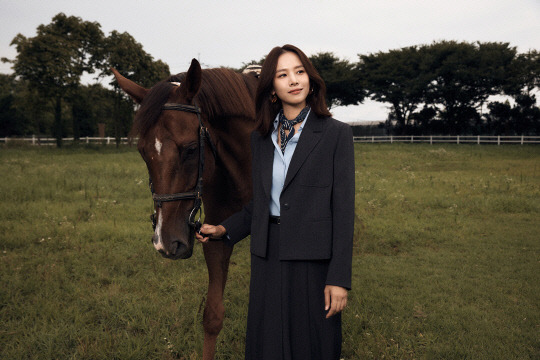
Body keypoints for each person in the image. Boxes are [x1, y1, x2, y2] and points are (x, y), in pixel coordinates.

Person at [196, 44, 354, 360]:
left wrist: (338, 279)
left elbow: (343, 210)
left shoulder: (336, 133)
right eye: (283, 75)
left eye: (300, 72)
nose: (294, 80)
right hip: (267, 255)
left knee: (312, 344)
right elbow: (261, 203)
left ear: (311, 79)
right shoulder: (260, 138)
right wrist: (223, 229)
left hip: (314, 258)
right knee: (268, 343)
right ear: (272, 87)